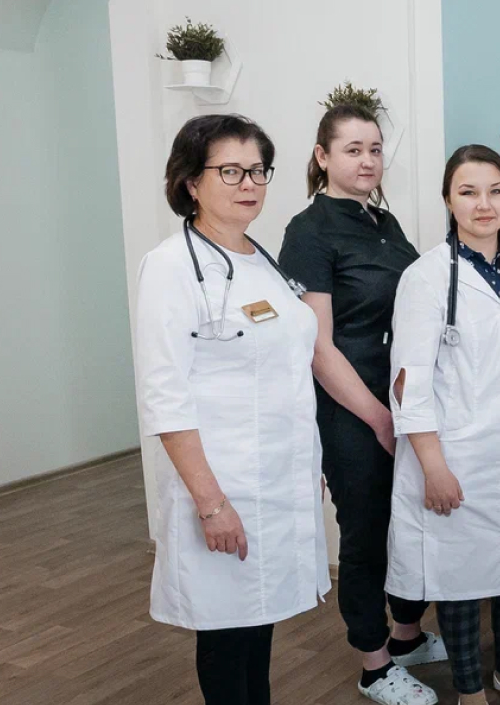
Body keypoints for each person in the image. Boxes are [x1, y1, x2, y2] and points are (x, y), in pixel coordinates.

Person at [134, 113, 330, 704]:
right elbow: (165, 398)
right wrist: (211, 503)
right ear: (191, 182)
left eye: (258, 170)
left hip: (277, 480)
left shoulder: (261, 261)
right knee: (225, 632)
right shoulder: (171, 267)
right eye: (231, 171)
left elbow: (287, 372)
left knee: (258, 626)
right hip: (221, 486)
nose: (249, 183)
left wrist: (307, 461)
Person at [277, 103, 446, 705]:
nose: (368, 160)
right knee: (366, 534)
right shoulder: (308, 231)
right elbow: (317, 347)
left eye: (375, 149)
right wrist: (378, 418)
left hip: (398, 403)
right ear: (322, 157)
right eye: (353, 150)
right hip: (351, 408)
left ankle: (406, 636)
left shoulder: (384, 221)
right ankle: (374, 666)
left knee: (407, 524)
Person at [385, 145, 500, 705]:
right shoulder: (427, 277)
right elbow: (409, 383)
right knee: (458, 575)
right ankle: (468, 689)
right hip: (453, 452)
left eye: (495, 191)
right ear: (448, 200)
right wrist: (433, 466)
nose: (484, 204)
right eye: (468, 192)